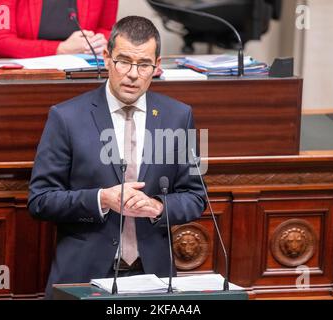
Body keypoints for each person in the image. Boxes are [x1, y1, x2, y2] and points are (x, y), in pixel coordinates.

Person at [28, 15, 206, 299]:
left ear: (156, 66)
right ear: (107, 58)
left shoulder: (178, 116)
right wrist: (102, 199)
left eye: (144, 64)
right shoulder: (67, 117)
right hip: (83, 276)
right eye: (124, 61)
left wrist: (157, 206)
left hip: (153, 278)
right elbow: (40, 200)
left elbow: (196, 197)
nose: (133, 74)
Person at [0, 0, 118, 58]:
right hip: (11, 77)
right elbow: (2, 42)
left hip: (78, 74)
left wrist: (100, 42)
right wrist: (60, 49)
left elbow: (106, 29)